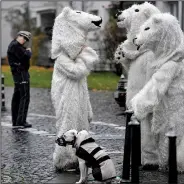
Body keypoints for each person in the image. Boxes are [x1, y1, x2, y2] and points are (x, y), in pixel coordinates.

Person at [7, 31, 32, 128]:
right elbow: (26, 56)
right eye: (24, 38)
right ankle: (21, 121)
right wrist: (29, 51)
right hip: (21, 74)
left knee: (17, 97)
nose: (24, 40)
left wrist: (26, 51)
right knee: (24, 97)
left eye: (26, 39)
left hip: (19, 73)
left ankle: (16, 121)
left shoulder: (15, 45)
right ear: (19, 36)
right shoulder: (16, 46)